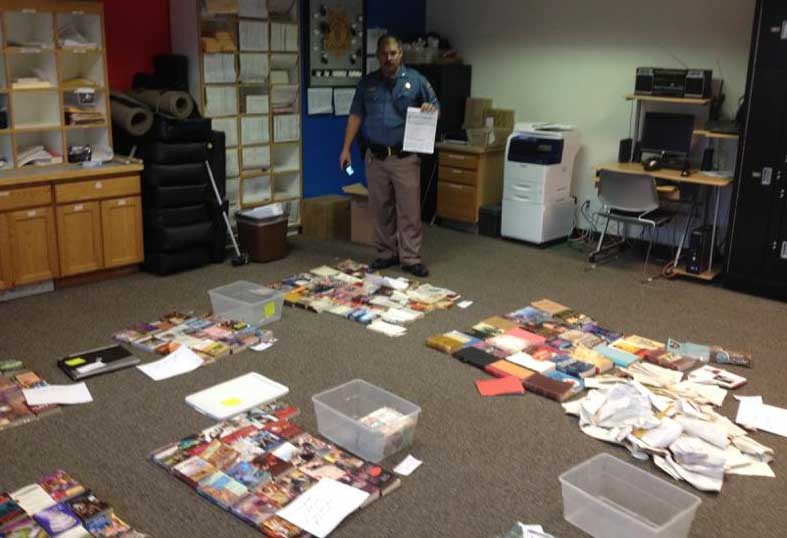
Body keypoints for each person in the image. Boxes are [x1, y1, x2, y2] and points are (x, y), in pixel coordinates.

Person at [339, 34, 439, 277]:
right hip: (376, 157)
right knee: (381, 209)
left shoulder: (415, 81)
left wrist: (430, 108)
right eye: (384, 53)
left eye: (393, 53)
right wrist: (345, 149)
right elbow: (355, 116)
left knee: (409, 210)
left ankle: (410, 257)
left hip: (404, 157)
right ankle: (386, 253)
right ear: (378, 56)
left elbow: (435, 107)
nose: (389, 58)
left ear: (400, 54)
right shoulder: (367, 83)